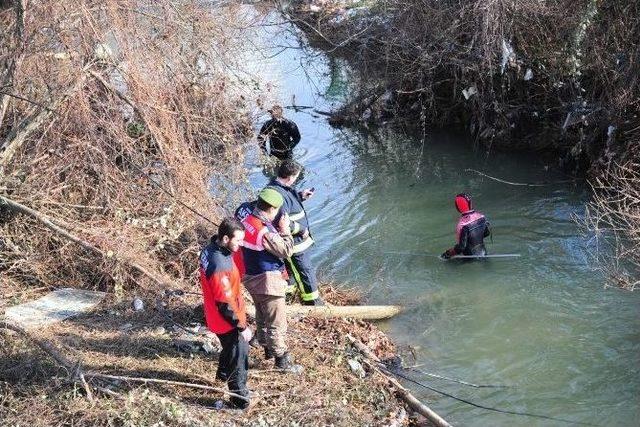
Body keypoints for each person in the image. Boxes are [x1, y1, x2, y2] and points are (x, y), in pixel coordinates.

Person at [199, 218, 252, 409]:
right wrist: (242, 326)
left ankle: (222, 374)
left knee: (229, 348)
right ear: (226, 238)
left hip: (215, 314)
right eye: (238, 241)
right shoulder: (219, 265)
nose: (240, 244)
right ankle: (239, 399)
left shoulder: (211, 249)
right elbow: (225, 303)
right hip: (225, 320)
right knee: (239, 353)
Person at [240, 188, 295, 369]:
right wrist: (285, 230)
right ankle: (281, 360)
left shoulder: (246, 221)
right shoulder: (265, 232)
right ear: (271, 209)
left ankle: (267, 348)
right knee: (276, 322)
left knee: (262, 315)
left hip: (251, 277)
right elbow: (286, 251)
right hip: (267, 281)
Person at [267, 160, 323, 306]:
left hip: (296, 241)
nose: (295, 180)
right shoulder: (277, 193)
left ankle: (288, 297)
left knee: (292, 272)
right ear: (290, 177)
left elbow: (287, 206)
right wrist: (302, 230)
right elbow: (281, 220)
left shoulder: (280, 187)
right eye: (296, 177)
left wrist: (300, 196)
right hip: (294, 243)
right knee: (304, 271)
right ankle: (312, 303)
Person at [442, 193, 491, 259]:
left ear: (458, 207)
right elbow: (487, 233)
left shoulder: (462, 225)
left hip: (470, 259)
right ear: (470, 203)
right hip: (483, 253)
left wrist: (447, 254)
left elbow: (461, 247)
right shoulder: (481, 217)